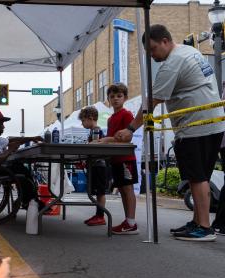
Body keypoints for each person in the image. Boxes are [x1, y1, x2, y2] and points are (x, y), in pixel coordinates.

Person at [115, 24, 225, 242]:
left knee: (197, 176)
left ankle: (204, 227)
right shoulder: (190, 51)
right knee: (200, 174)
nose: (152, 55)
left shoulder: (173, 62)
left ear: (165, 41)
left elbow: (151, 102)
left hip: (195, 126)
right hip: (212, 124)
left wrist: (130, 129)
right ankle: (197, 221)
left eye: (154, 49)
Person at [0, 110, 41, 207]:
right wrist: (10, 150)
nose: (3, 126)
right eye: (1, 123)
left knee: (21, 168)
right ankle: (30, 202)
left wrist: (31, 138)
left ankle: (27, 200)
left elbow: (10, 140)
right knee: (22, 172)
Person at [97, 83, 138, 235]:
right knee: (121, 189)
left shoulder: (126, 114)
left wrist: (106, 140)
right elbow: (113, 137)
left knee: (128, 189)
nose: (115, 99)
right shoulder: (111, 118)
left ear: (125, 98)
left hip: (126, 159)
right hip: (115, 159)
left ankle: (131, 222)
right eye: (112, 96)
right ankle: (128, 221)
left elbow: (126, 137)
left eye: (119, 96)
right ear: (108, 99)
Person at [78, 106, 108, 226]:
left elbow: (95, 146)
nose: (82, 124)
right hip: (95, 165)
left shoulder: (96, 131)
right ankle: (98, 214)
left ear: (90, 118)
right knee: (97, 192)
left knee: (100, 192)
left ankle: (101, 216)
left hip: (99, 166)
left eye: (83, 121)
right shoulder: (93, 131)